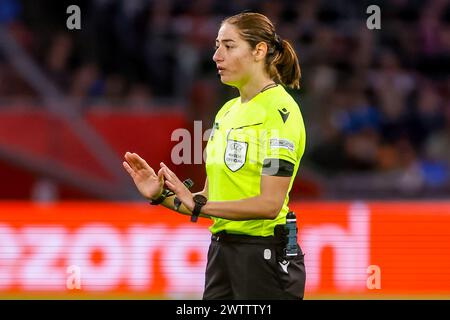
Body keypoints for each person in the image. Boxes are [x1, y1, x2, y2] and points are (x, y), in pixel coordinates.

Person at [122, 12, 306, 300]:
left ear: (259, 51)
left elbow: (269, 204)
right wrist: (161, 197)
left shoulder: (280, 112)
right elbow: (209, 199)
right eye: (217, 45)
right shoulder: (227, 112)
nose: (216, 56)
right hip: (221, 252)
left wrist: (197, 206)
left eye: (229, 46)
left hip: (264, 257)